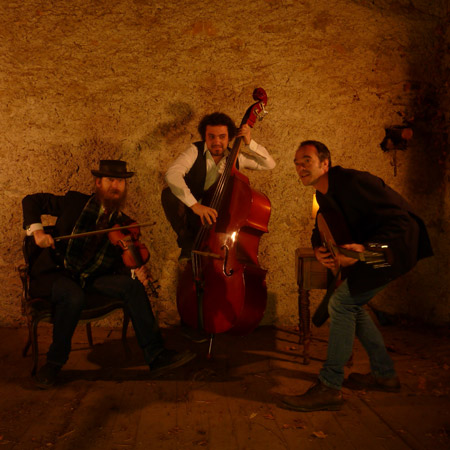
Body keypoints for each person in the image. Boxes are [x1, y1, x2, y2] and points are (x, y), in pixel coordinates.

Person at [282, 140, 433, 412]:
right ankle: (384, 375)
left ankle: (329, 386)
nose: (299, 166)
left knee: (341, 303)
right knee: (351, 305)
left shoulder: (353, 182)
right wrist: (319, 251)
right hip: (371, 251)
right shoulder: (322, 195)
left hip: (395, 247)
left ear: (325, 163)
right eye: (296, 162)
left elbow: (401, 220)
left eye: (306, 160)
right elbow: (321, 227)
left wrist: (365, 249)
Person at [22, 160, 195, 389]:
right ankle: (53, 364)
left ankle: (157, 356)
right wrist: (38, 232)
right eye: (110, 180)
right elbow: (31, 201)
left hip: (91, 279)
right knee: (73, 296)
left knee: (132, 287)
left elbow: (120, 263)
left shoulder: (124, 224)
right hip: (58, 273)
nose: (116, 186)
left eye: (121, 182)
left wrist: (136, 272)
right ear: (98, 183)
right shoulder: (75, 203)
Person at [161, 112, 276, 261]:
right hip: (193, 216)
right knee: (169, 194)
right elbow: (172, 174)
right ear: (205, 137)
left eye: (222, 137)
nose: (217, 141)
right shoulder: (194, 151)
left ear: (229, 138)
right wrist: (196, 206)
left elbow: (269, 164)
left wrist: (249, 142)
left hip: (220, 221)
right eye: (211, 136)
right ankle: (187, 244)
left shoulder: (237, 157)